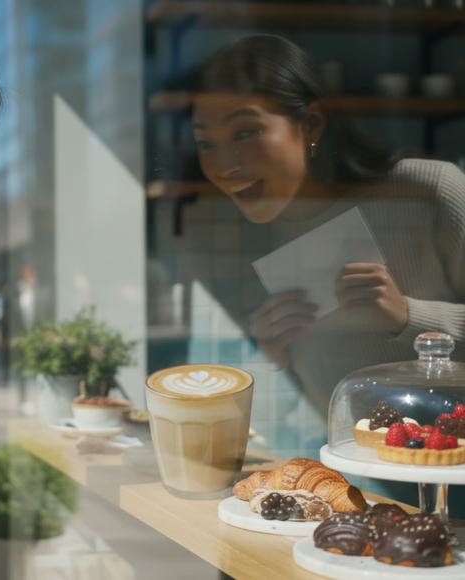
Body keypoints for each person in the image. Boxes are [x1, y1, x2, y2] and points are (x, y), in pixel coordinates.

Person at [182, 34, 465, 415]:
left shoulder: (426, 191)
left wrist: (408, 316)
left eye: (245, 132)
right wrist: (275, 359)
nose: (222, 165)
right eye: (205, 144)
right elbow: (306, 416)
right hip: (343, 469)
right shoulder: (253, 239)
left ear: (311, 124)